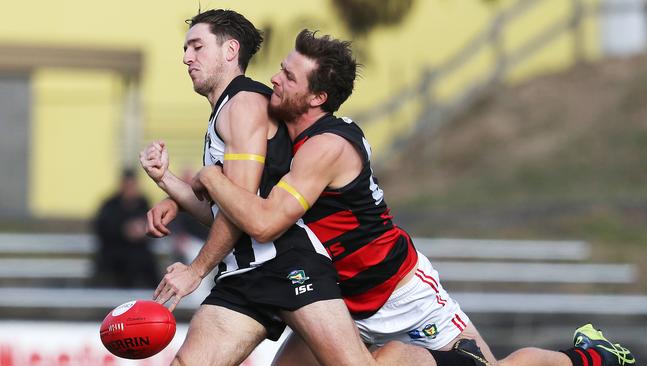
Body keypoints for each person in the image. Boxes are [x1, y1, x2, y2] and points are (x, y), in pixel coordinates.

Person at [189, 30, 637, 366]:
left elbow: (263, 221)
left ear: (318, 97)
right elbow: (239, 176)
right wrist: (182, 188)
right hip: (334, 298)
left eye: (288, 75)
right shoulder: (279, 122)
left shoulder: (328, 146)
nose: (275, 79)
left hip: (396, 293)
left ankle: (591, 356)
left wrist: (210, 179)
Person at [140, 9, 436, 366]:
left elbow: (244, 209)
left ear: (231, 50)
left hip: (288, 265)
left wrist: (195, 270)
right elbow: (227, 210)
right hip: (243, 273)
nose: (187, 57)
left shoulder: (243, 104)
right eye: (186, 48)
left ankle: (417, 361)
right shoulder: (227, 111)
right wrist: (168, 182)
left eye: (197, 47)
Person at [92, 168, 158, 288]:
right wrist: (125, 231)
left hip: (140, 253)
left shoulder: (143, 202)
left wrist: (143, 230)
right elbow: (102, 229)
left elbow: (153, 224)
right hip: (114, 254)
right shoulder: (110, 204)